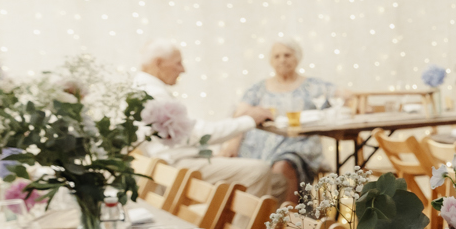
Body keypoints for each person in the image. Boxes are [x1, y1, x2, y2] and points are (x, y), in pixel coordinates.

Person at [131, 40, 287, 200]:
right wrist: (249, 120)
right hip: (175, 167)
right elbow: (197, 134)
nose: (183, 70)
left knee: (278, 182)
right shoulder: (152, 93)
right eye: (178, 63)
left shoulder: (141, 88)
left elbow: (182, 137)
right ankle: (246, 217)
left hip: (173, 162)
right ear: (158, 63)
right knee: (259, 171)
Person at [234, 38, 338, 197]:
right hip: (258, 148)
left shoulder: (313, 85)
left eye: (287, 55)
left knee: (283, 166)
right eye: (277, 56)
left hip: (299, 143)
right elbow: (239, 116)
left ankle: (287, 211)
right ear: (271, 61)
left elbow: (344, 96)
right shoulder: (258, 88)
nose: (282, 60)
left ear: (297, 58)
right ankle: (260, 209)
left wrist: (356, 103)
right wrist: (232, 145)